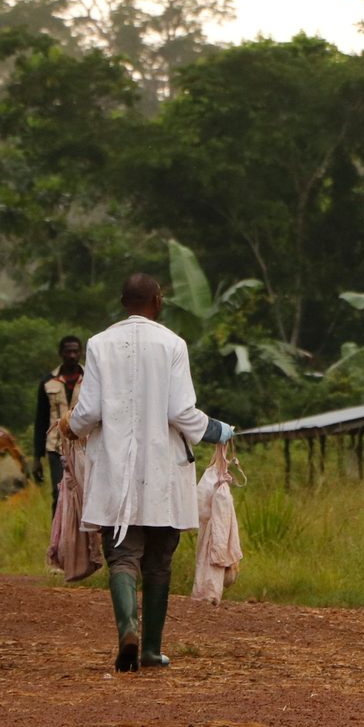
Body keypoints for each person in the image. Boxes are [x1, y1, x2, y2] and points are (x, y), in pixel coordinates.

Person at [63, 273, 235, 672]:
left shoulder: (99, 344)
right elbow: (181, 412)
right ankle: (152, 650)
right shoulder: (173, 344)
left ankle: (127, 628)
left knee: (122, 556)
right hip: (164, 469)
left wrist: (71, 427)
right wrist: (217, 430)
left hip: (115, 470)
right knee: (159, 561)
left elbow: (87, 413)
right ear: (157, 301)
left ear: (123, 302)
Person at [33, 334, 85, 520]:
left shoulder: (91, 379)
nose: (72, 355)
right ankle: (59, 540)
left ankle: (84, 541)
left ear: (81, 353)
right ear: (61, 353)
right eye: (68, 351)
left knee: (84, 494)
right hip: (56, 448)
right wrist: (37, 457)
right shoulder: (48, 382)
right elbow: (40, 420)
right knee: (59, 494)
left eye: (75, 351)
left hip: (84, 447)